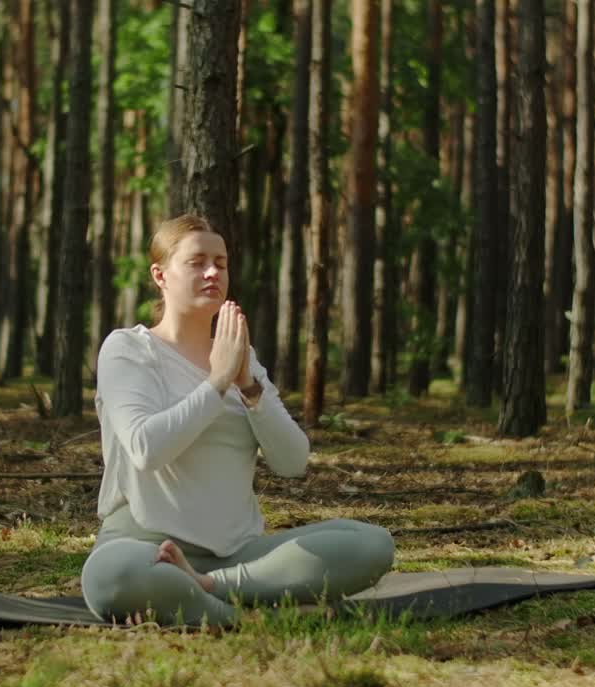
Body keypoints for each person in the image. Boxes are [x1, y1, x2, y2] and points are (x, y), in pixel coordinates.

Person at [81, 214, 395, 626]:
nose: (213, 272)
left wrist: (249, 388)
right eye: (197, 262)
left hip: (238, 555)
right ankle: (245, 615)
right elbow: (144, 449)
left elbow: (292, 462)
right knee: (112, 578)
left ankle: (211, 589)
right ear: (160, 275)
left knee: (372, 545)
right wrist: (216, 383)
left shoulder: (243, 358)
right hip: (144, 546)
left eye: (221, 263)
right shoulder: (128, 350)